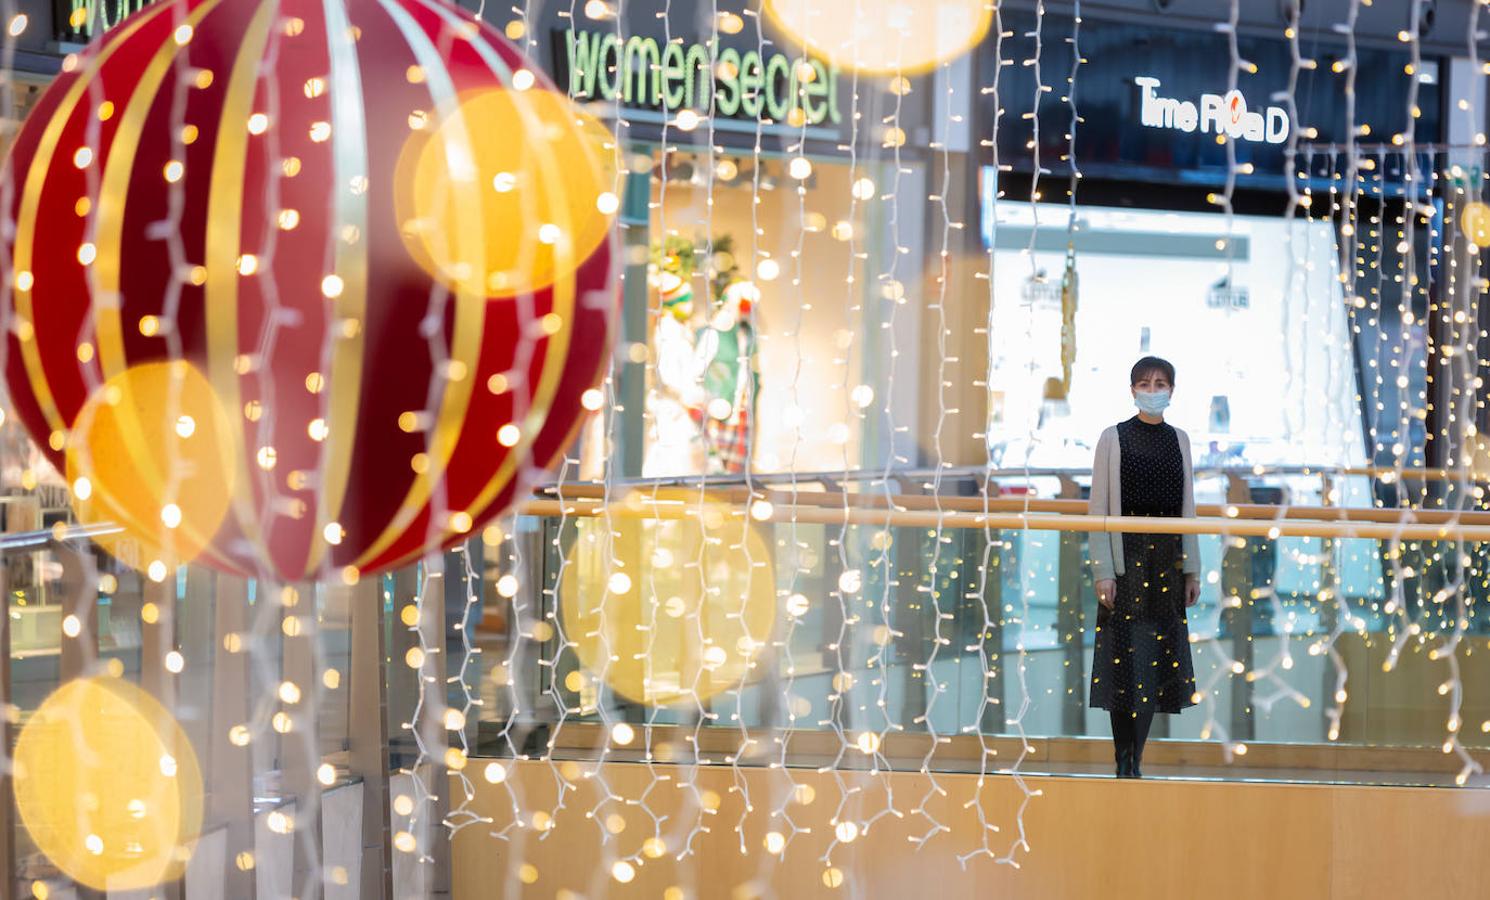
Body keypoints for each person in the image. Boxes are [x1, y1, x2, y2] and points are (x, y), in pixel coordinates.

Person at [1088, 356, 1200, 778]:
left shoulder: (1180, 440)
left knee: (1155, 662)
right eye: (1144, 382)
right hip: (1126, 561)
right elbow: (1098, 509)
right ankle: (1123, 758)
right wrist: (1103, 570)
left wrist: (1191, 569)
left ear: (1172, 389)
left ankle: (1137, 756)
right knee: (1124, 662)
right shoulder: (1113, 438)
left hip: (1167, 561)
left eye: (1161, 382)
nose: (1153, 389)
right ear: (1132, 389)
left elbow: (1187, 508)